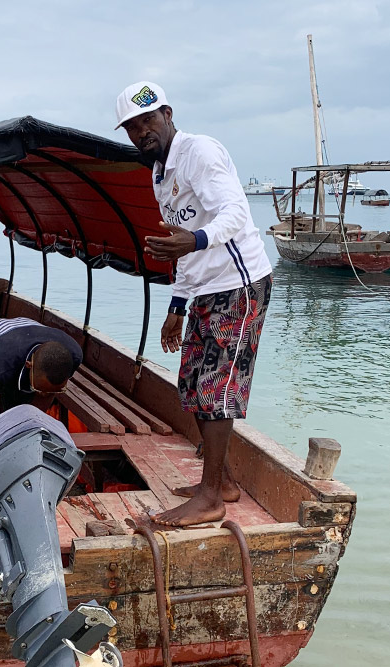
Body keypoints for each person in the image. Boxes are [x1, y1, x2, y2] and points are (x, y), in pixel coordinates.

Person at [115, 81, 274, 527]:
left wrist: (197, 238)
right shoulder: (159, 174)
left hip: (239, 285)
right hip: (203, 289)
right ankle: (220, 482)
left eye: (147, 120)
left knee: (217, 390)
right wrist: (176, 305)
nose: (140, 132)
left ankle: (209, 498)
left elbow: (235, 213)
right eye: (131, 126)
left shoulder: (199, 152)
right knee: (192, 385)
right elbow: (176, 245)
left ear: (167, 113)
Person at [0, 317, 83, 430]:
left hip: (31, 331)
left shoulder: (74, 355)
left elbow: (36, 413)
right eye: (40, 390)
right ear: (29, 365)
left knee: (31, 413)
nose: (44, 395)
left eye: (53, 391)